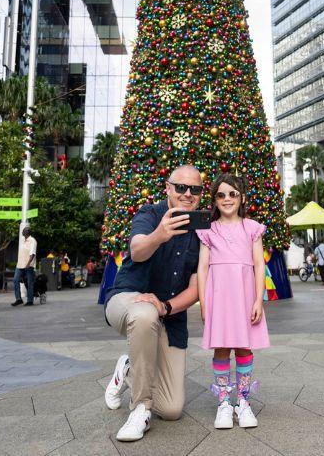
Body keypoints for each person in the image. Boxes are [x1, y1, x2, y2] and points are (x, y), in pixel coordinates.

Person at [103, 165, 202, 442]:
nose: (187, 194)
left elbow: (196, 288)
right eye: (181, 187)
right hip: (128, 298)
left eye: (195, 190)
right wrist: (160, 234)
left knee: (171, 409)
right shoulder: (150, 214)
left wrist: (166, 307)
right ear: (168, 188)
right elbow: (137, 249)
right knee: (145, 313)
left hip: (168, 315)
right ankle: (140, 410)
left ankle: (128, 369)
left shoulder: (201, 230)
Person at [196, 173, 270, 430]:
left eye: (232, 194)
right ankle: (224, 404)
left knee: (244, 347)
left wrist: (258, 300)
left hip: (245, 295)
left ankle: (243, 402)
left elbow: (259, 264)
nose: (227, 199)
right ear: (215, 200)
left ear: (242, 197)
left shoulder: (252, 228)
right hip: (219, 297)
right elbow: (203, 267)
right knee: (222, 348)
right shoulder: (209, 230)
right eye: (221, 194)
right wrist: (205, 302)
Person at [11, 226, 37, 306]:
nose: (22, 232)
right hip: (20, 265)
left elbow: (32, 254)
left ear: (27, 232)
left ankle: (30, 301)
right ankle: (18, 299)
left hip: (28, 266)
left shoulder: (32, 241)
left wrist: (28, 264)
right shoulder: (23, 241)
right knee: (15, 280)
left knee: (29, 283)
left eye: (23, 231)